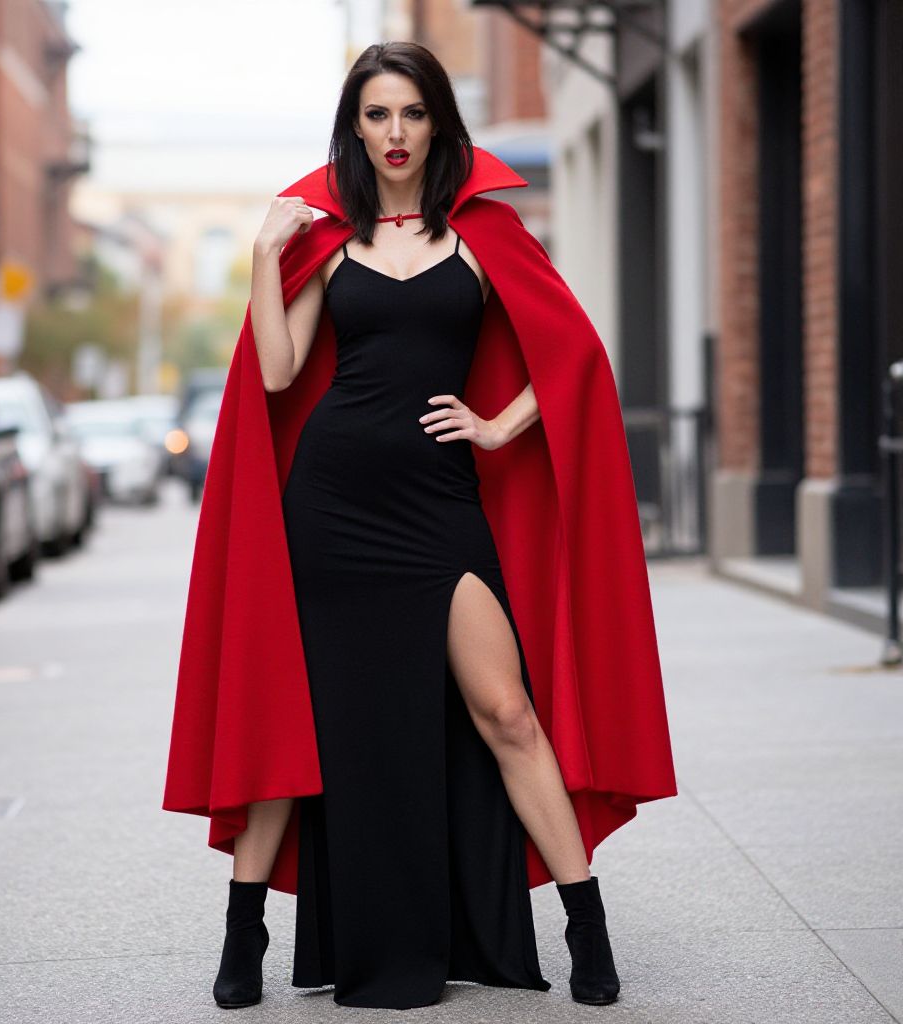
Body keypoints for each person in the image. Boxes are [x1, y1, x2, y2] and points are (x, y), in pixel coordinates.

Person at [162, 41, 678, 1012]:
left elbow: (572, 362)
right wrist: (267, 258)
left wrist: (496, 425)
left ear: (437, 121)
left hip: (440, 507)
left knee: (507, 711)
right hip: (331, 505)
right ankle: (242, 935)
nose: (393, 133)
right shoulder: (331, 242)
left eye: (409, 113)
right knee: (298, 717)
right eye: (375, 116)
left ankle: (586, 925)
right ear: (353, 130)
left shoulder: (485, 232)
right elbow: (276, 375)